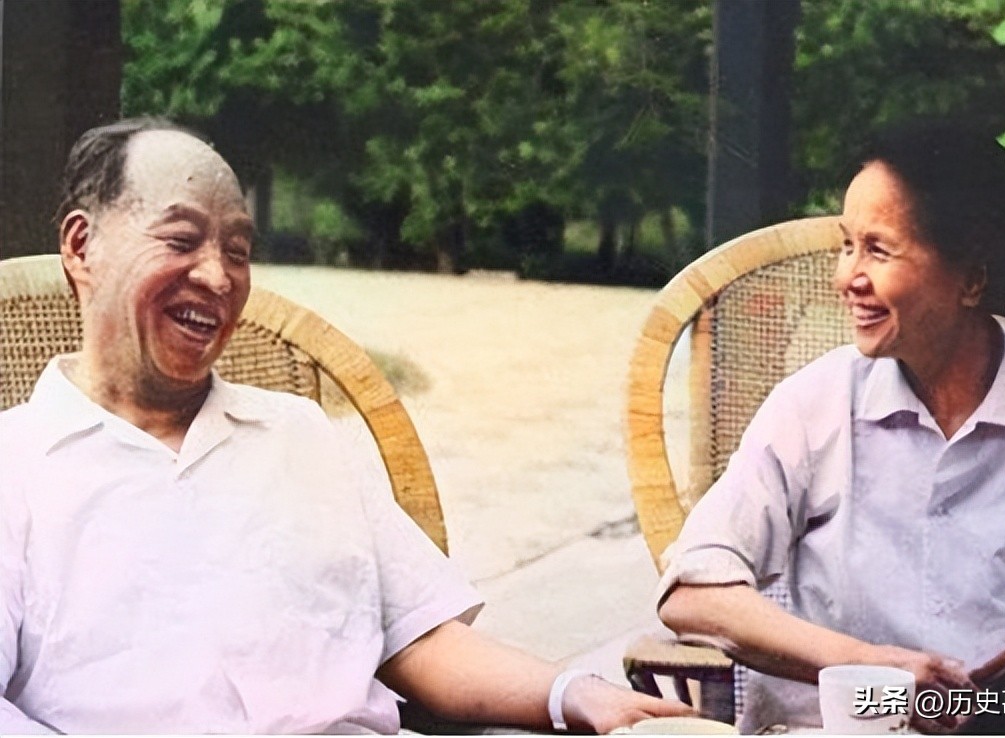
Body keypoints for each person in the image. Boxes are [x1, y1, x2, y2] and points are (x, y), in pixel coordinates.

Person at [0, 117, 693, 734]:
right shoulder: (15, 469)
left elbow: (421, 639)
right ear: (82, 247)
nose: (217, 276)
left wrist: (573, 693)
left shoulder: (298, 435)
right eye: (181, 240)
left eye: (238, 251)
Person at [654, 125, 1005, 733]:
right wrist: (863, 665)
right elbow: (691, 592)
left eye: (878, 250)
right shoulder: (814, 405)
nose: (847, 277)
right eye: (847, 245)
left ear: (972, 279)